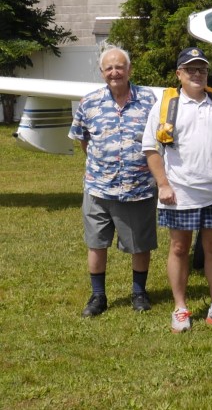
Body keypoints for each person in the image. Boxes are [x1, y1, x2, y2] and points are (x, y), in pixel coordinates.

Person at [142, 47, 212, 332]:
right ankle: (180, 308)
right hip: (179, 193)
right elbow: (151, 148)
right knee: (178, 248)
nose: (197, 74)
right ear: (179, 74)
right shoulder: (165, 105)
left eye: (202, 69)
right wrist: (162, 184)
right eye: (190, 69)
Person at [69, 46, 158, 317]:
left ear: (129, 70)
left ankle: (138, 293)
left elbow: (158, 140)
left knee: (140, 244)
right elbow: (84, 140)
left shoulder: (149, 100)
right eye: (109, 68)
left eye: (119, 67)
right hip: (98, 188)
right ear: (102, 72)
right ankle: (98, 297)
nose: (114, 72)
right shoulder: (89, 102)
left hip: (138, 188)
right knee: (96, 243)